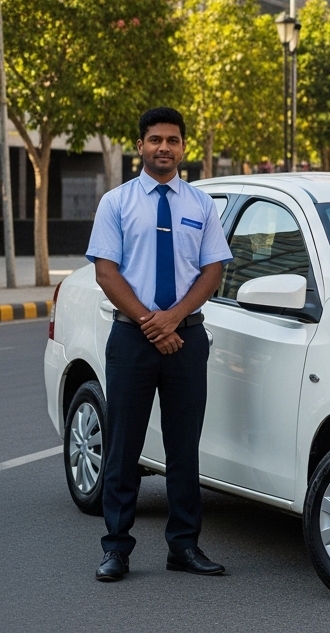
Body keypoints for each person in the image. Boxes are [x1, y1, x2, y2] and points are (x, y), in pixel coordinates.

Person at [85, 108, 233, 582]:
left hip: (187, 340)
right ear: (141, 147)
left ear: (183, 147)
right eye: (154, 140)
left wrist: (172, 321)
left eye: (172, 140)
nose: (163, 148)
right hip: (132, 338)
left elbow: (213, 271)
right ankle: (116, 549)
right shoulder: (116, 203)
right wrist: (152, 322)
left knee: (184, 447)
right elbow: (106, 272)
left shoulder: (200, 205)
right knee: (123, 445)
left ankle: (184, 546)